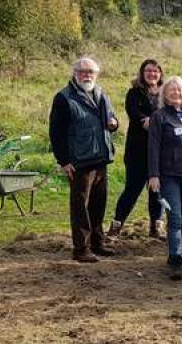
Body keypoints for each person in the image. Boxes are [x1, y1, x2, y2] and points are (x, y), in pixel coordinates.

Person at [49, 57, 120, 263]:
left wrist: (115, 123)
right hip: (79, 162)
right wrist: (64, 161)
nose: (87, 75)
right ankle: (81, 249)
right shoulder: (64, 98)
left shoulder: (100, 93)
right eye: (83, 71)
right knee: (80, 206)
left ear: (96, 75)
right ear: (75, 73)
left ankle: (98, 243)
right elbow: (56, 132)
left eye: (91, 72)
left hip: (101, 158)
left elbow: (113, 119)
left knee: (99, 204)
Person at [148, 76, 182, 275]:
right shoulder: (159, 116)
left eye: (180, 90)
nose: (176, 93)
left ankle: (179, 252)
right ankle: (175, 257)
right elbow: (153, 147)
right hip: (168, 174)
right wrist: (153, 174)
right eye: (172, 90)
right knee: (175, 215)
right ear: (165, 94)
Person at [108, 59, 162, 239]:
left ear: (160, 73)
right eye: (148, 70)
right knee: (132, 190)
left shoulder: (165, 93)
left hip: (160, 151)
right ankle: (116, 226)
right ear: (142, 72)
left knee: (156, 191)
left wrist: (154, 122)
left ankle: (156, 227)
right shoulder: (134, 92)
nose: (152, 74)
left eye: (155, 71)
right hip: (138, 151)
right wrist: (150, 122)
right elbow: (134, 114)